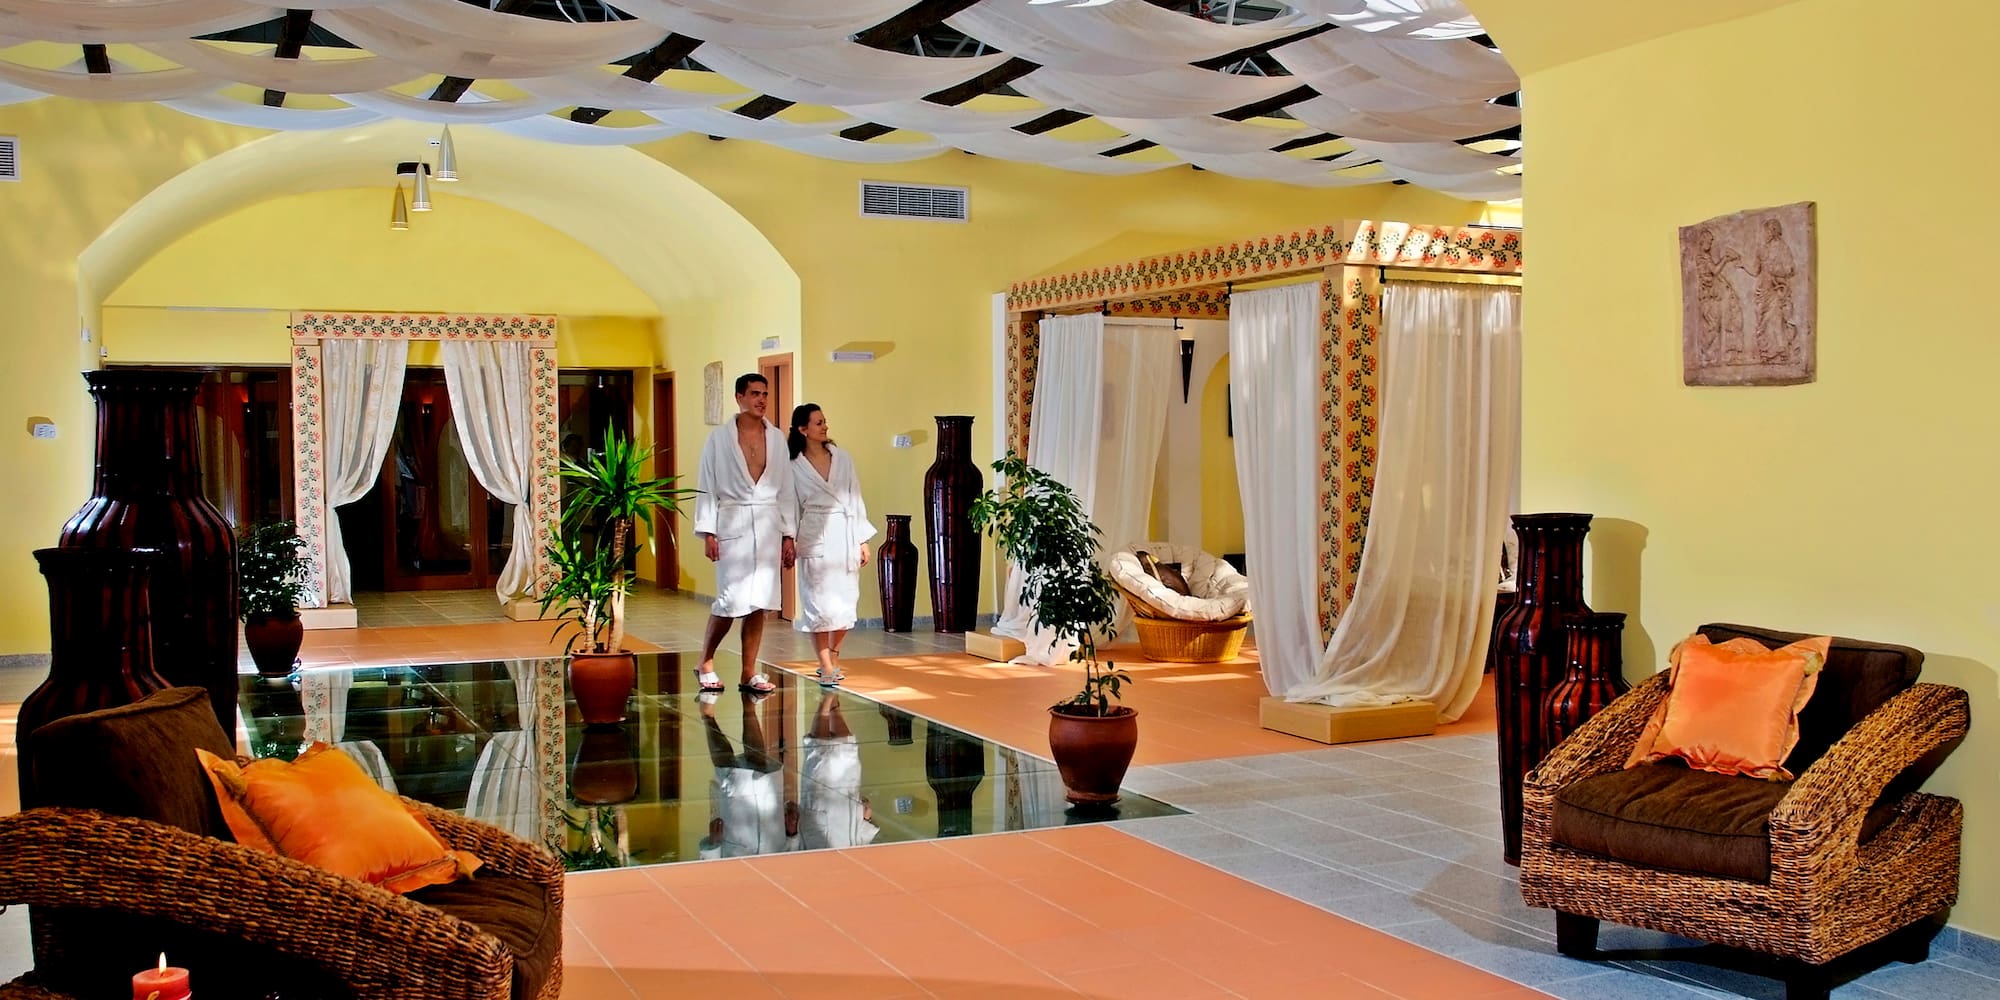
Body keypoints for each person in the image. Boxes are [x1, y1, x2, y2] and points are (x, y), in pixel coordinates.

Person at [693, 373, 795, 695]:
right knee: (729, 600)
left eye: (765, 394)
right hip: (732, 522)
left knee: (760, 603)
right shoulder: (719, 439)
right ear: (739, 397)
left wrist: (789, 534)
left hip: (767, 523)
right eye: (754, 393)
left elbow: (787, 490)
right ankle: (706, 661)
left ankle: (748, 671)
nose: (761, 400)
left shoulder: (777, 438)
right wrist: (709, 531)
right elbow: (707, 484)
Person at [786, 403, 876, 687]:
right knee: (819, 605)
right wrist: (789, 538)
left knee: (845, 604)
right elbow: (788, 505)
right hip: (814, 533)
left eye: (825, 421)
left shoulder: (843, 458)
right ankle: (825, 665)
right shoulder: (793, 466)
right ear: (803, 429)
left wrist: (862, 539)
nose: (825, 426)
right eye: (818, 423)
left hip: (845, 532)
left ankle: (834, 654)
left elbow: (855, 496)